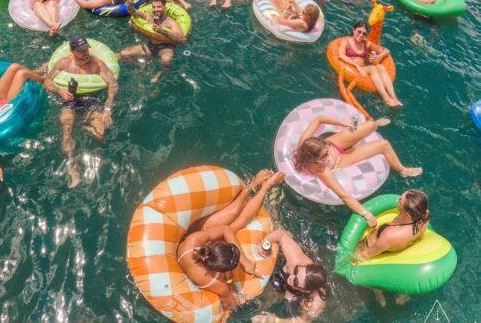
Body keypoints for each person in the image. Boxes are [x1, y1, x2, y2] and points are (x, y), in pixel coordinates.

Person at [177, 170, 285, 312]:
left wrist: (245, 261)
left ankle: (253, 185)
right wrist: (232, 286)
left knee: (233, 214)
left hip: (193, 238)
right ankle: (265, 187)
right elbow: (232, 305)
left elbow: (225, 230)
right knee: (239, 223)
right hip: (198, 262)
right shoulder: (216, 284)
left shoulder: (194, 240)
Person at [293, 117, 421, 225]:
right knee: (384, 144)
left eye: (326, 153)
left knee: (370, 124)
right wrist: (366, 214)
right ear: (315, 160)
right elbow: (344, 196)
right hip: (339, 161)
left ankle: (375, 125)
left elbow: (319, 118)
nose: (327, 156)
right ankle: (403, 170)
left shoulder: (305, 143)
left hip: (333, 143)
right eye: (324, 156)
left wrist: (343, 124)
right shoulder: (322, 170)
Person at [41, 35, 118, 189]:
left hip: (90, 98)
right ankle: (72, 167)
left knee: (100, 134)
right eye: (81, 51)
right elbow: (46, 81)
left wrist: (108, 108)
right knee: (67, 128)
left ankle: (87, 129)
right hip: (69, 97)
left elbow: (113, 84)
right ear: (72, 51)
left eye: (86, 49)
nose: (85, 53)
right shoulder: (64, 63)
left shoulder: (97, 64)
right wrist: (59, 90)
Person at [254, 229, 329, 320]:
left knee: (260, 303)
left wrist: (275, 320)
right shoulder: (296, 261)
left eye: (296, 281)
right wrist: (265, 244)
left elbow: (303, 321)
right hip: (284, 267)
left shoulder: (317, 298)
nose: (292, 277)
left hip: (289, 292)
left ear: (307, 291)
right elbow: (281, 234)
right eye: (297, 271)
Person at [119, 0, 187, 80]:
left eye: (159, 7)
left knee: (166, 60)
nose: (156, 9)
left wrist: (163, 31)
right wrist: (130, 2)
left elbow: (182, 39)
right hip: (150, 46)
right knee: (122, 54)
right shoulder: (149, 17)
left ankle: (162, 73)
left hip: (165, 48)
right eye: (154, 7)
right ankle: (138, 63)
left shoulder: (170, 22)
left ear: (164, 6)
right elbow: (133, 12)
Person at [337, 20, 401, 106]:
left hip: (364, 69)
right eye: (359, 32)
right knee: (373, 68)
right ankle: (385, 98)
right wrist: (356, 65)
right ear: (354, 30)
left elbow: (386, 50)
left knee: (381, 66)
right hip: (353, 69)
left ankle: (394, 97)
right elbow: (341, 55)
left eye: (364, 33)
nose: (361, 35)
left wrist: (380, 56)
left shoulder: (366, 43)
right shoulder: (346, 42)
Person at [355, 190, 430, 261]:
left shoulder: (391, 235)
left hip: (366, 247)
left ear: (407, 214)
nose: (397, 200)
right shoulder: (425, 216)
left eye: (400, 201)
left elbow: (365, 255)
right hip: (391, 244)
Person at [254, 0, 320, 33]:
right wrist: (293, 1)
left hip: (284, 15)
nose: (302, 12)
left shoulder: (301, 22)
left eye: (304, 12)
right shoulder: (310, 22)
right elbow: (299, 12)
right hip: (291, 15)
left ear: (308, 16)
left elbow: (281, 21)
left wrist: (285, 9)